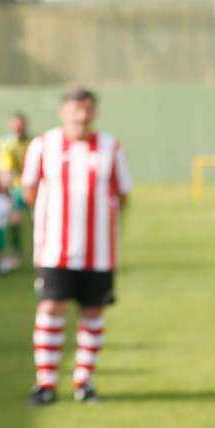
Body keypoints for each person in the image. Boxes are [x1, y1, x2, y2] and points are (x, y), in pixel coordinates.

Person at [22, 87, 132, 406]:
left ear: (94, 113)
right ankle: (45, 382)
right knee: (50, 307)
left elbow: (122, 195)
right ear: (63, 112)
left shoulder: (111, 147)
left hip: (98, 251)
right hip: (54, 248)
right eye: (75, 109)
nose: (81, 115)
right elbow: (29, 190)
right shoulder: (43, 145)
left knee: (93, 311)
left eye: (87, 109)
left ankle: (84, 381)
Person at [0, 112, 31, 272]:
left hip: (35, 187)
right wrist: (4, 190)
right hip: (17, 188)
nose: (18, 128)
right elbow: (6, 170)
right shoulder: (6, 143)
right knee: (15, 221)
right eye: (15, 125)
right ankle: (16, 253)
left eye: (21, 124)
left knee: (40, 221)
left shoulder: (34, 141)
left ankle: (41, 256)